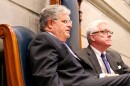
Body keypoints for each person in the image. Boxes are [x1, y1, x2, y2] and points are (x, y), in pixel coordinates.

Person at [28, 5, 130, 86]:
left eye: (70, 21)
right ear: (50, 23)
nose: (70, 25)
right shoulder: (44, 39)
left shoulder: (59, 43)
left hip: (88, 80)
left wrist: (101, 76)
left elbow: (74, 73)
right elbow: (46, 77)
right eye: (65, 21)